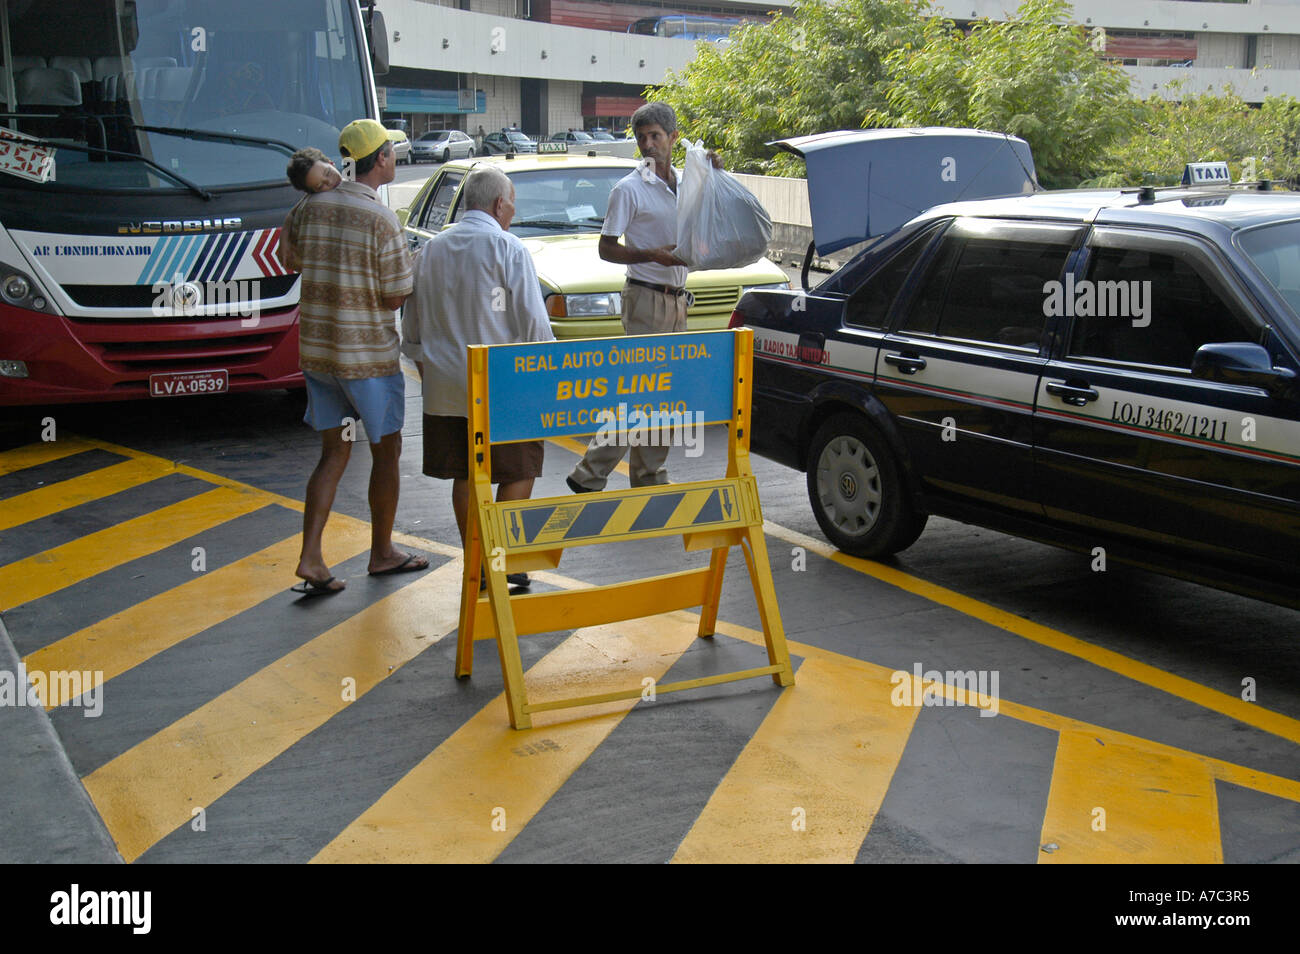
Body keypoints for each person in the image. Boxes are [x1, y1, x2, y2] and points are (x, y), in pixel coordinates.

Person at [282, 118, 428, 595]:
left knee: (334, 451)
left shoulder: (308, 207)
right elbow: (394, 298)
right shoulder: (382, 220)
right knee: (387, 451)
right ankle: (383, 552)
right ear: (381, 159)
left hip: (320, 356)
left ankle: (310, 557)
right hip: (367, 361)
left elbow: (291, 260)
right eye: (389, 150)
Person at [401, 165, 553, 588]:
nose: (513, 213)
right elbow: (535, 328)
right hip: (504, 386)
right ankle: (501, 559)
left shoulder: (430, 250)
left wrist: (426, 369)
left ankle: (478, 563)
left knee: (468, 474)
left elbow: (411, 328)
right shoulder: (509, 248)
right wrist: (546, 382)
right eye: (512, 205)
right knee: (519, 470)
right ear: (500, 203)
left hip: (447, 387)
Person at [566, 101, 717, 493]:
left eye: (656, 136)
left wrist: (716, 170)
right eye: (642, 138)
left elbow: (716, 204)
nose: (649, 145)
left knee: (667, 392)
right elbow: (606, 248)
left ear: (673, 138)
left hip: (678, 298)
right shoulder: (629, 189)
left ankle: (649, 475)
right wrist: (650, 253)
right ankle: (589, 473)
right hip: (645, 297)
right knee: (639, 392)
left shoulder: (688, 182)